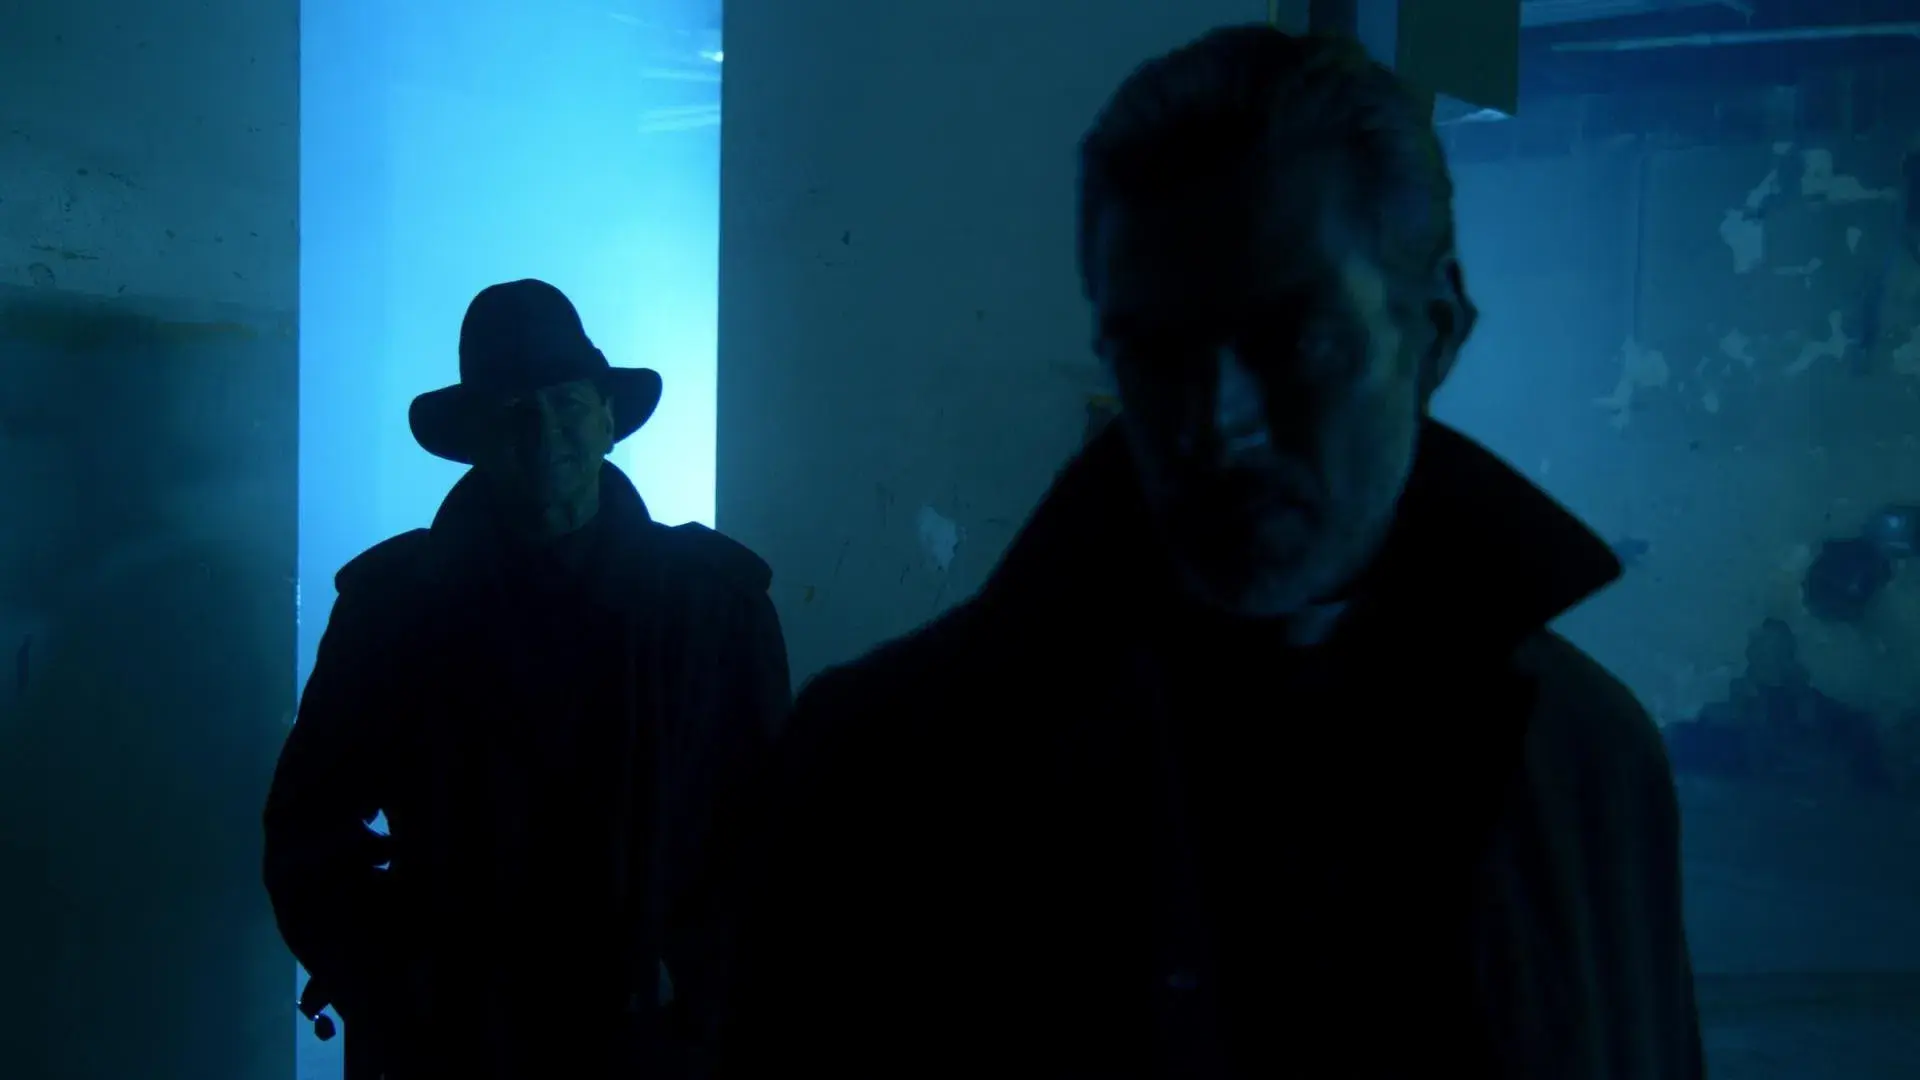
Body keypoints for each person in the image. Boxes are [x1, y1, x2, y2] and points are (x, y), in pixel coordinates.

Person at [719, 27, 1701, 1079]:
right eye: (1156, 353)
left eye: (1292, 339)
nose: (1216, 421)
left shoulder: (1590, 762)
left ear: (1436, 332)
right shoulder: (878, 775)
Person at [265, 279, 790, 1079]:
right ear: (474, 435)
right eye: (512, 410)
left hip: (655, 1049)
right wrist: (398, 984)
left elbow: (772, 832)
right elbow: (307, 831)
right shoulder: (391, 610)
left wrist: (697, 984)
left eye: (566, 403)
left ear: (607, 419)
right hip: (449, 1053)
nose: (544, 433)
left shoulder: (714, 606)